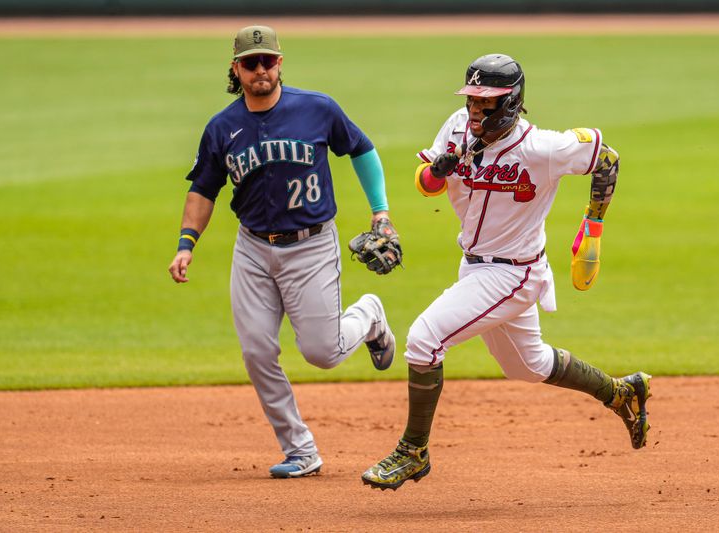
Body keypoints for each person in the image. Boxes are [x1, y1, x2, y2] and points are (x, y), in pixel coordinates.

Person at [361, 54, 651, 491]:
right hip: (475, 266)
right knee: (527, 365)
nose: (475, 111)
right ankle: (621, 393)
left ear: (511, 102)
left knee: (424, 339)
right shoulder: (457, 126)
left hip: (513, 274)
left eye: (486, 103)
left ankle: (413, 450)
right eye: (472, 100)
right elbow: (425, 184)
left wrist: (592, 229)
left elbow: (606, 157)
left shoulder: (543, 148)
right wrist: (437, 171)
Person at [168, 25, 398, 479]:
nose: (260, 70)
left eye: (267, 61)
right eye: (250, 63)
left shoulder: (317, 108)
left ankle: (370, 316)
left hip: (311, 246)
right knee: (256, 351)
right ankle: (300, 449)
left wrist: (381, 213)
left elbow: (362, 149)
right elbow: (203, 189)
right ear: (235, 68)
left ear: (280, 63)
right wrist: (185, 245)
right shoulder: (222, 128)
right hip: (252, 248)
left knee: (323, 353)